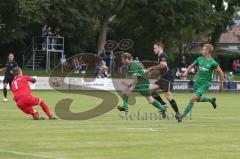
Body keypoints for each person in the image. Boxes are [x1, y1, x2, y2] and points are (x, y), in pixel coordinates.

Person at [180, 44, 224, 121]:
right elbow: (191, 65)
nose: (202, 51)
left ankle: (182, 116)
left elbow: (221, 73)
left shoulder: (213, 63)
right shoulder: (200, 59)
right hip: (197, 83)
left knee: (192, 98)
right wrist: (186, 72)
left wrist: (221, 84)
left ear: (208, 51)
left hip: (205, 84)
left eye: (203, 49)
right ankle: (211, 100)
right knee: (197, 99)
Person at [117, 53, 167, 118]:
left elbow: (135, 77)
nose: (122, 61)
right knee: (125, 92)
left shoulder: (133, 64)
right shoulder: (133, 64)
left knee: (150, 100)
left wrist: (132, 86)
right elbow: (140, 71)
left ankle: (163, 109)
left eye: (123, 59)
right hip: (142, 82)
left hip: (142, 83)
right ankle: (125, 107)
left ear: (127, 59)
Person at [147, 42, 182, 122]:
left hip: (168, 79)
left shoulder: (163, 55)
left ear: (159, 48)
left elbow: (163, 66)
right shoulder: (160, 57)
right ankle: (163, 105)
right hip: (163, 78)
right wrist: (152, 72)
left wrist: (152, 68)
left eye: (155, 48)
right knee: (149, 90)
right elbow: (161, 69)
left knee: (168, 96)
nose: (154, 50)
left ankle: (178, 114)